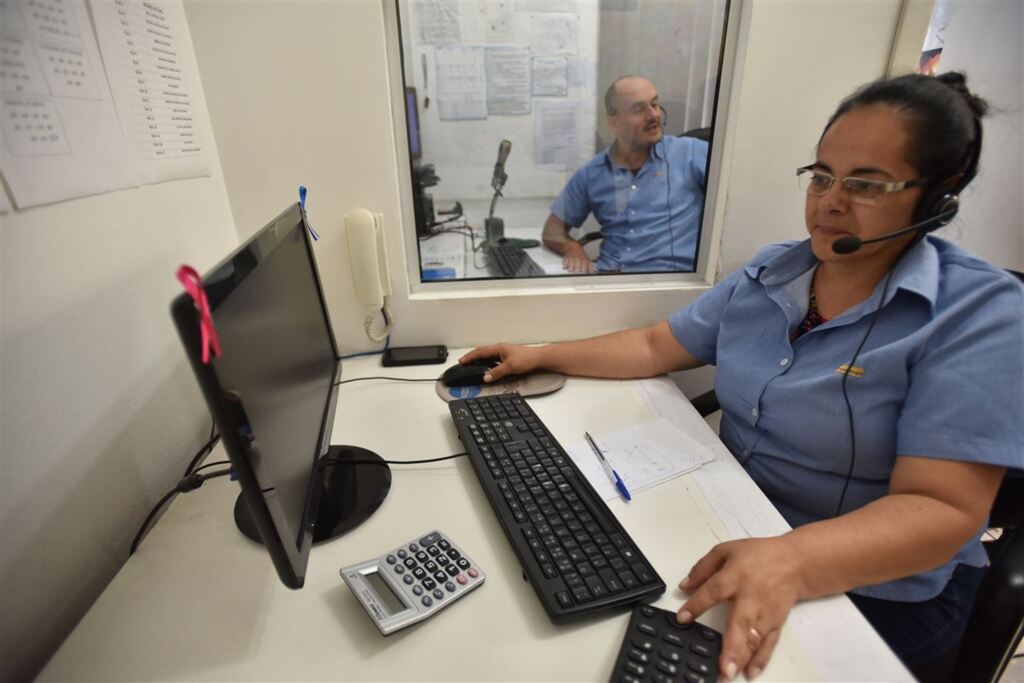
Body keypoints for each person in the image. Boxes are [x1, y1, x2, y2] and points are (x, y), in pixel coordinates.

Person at [461, 72, 1023, 681]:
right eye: (823, 176)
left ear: (940, 195)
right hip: (737, 518)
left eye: (865, 184)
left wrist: (793, 559)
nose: (831, 201)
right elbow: (655, 345)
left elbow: (940, 509)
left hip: (876, 589)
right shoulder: (773, 270)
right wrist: (542, 353)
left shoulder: (977, 312)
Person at [542, 75, 709, 273]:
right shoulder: (593, 173)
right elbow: (552, 230)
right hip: (611, 280)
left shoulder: (691, 153)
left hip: (674, 284)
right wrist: (572, 247)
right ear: (614, 123)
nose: (653, 115)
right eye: (639, 109)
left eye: (654, 104)